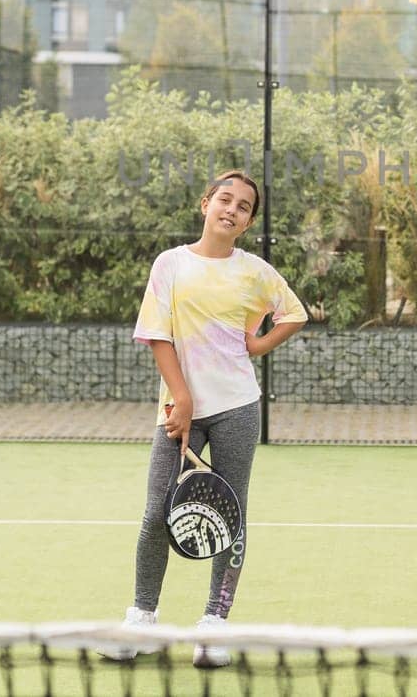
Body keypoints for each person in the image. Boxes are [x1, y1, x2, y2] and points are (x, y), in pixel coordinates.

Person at [112, 169, 308, 668]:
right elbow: (157, 334)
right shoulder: (170, 264)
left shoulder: (254, 271)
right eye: (225, 199)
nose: (232, 209)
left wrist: (258, 344)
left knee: (230, 514)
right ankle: (141, 618)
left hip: (238, 408)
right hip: (179, 411)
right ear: (205, 204)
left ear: (246, 223)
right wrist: (181, 396)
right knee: (157, 511)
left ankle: (214, 625)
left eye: (244, 207)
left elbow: (293, 313)